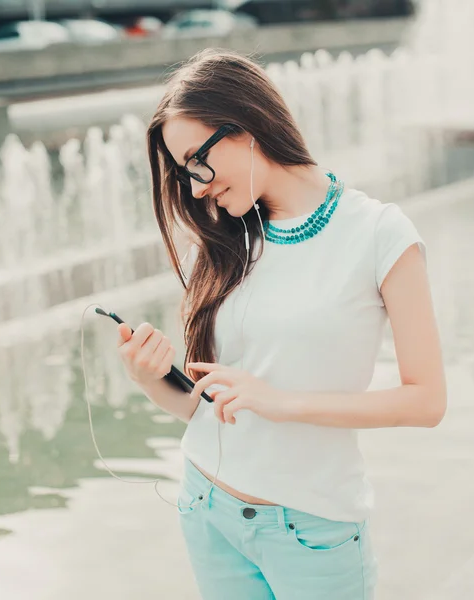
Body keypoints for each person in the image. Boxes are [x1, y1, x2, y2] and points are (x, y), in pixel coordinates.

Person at [116, 48, 447, 600]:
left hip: (313, 532)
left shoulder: (379, 233)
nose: (195, 187)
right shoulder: (224, 240)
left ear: (244, 126)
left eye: (197, 162)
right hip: (206, 509)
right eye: (183, 173)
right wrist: (150, 378)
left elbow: (427, 401)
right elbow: (205, 408)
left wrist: (281, 401)